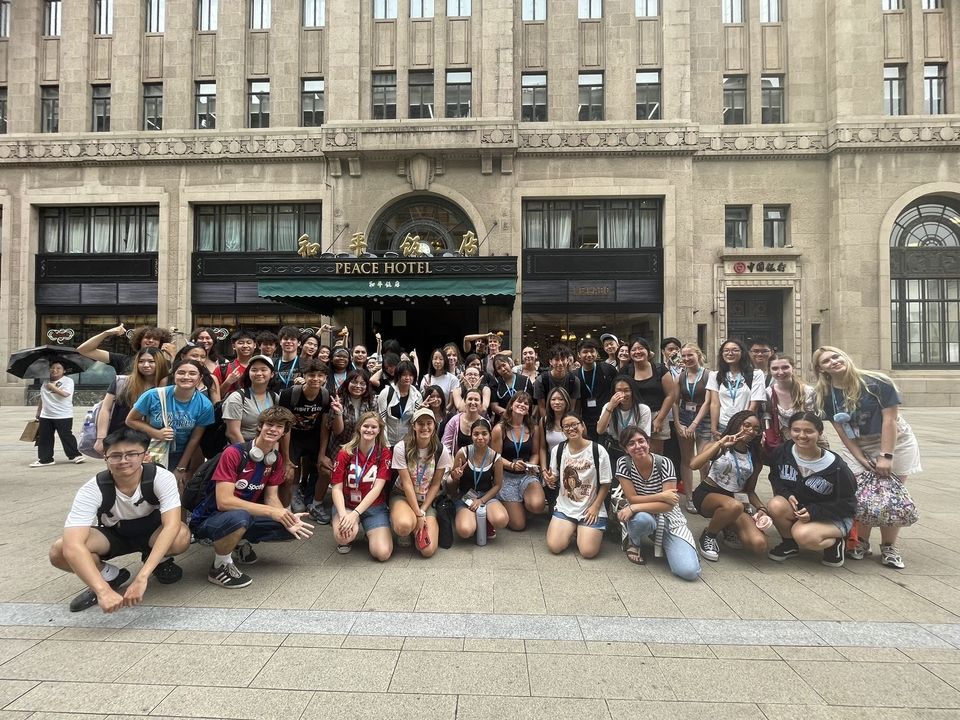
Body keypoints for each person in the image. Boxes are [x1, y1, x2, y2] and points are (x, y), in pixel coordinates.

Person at [49, 428, 190, 613]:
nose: (123, 461)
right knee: (59, 551)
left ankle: (157, 561)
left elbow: (171, 525)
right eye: (115, 455)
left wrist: (142, 577)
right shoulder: (92, 488)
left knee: (180, 534)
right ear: (105, 457)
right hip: (114, 534)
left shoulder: (161, 477)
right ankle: (108, 576)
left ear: (145, 455)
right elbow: (73, 544)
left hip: (153, 532)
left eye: (131, 454)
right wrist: (102, 591)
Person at [813, 345, 922, 569]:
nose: (833, 361)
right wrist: (861, 458)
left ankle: (889, 546)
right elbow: (843, 433)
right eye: (826, 361)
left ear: (844, 356)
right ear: (821, 369)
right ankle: (860, 541)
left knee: (888, 494)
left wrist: (886, 456)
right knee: (859, 493)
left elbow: (889, 421)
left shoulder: (876, 382)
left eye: (836, 356)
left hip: (894, 442)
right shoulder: (826, 395)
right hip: (859, 444)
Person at [190, 407, 313, 588]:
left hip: (243, 514)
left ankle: (239, 542)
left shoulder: (275, 459)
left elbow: (271, 497)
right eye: (269, 424)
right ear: (260, 426)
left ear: (284, 432)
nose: (273, 430)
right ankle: (220, 566)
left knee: (289, 527)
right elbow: (224, 502)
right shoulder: (234, 453)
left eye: (279, 427)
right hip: (209, 518)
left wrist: (286, 515)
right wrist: (272, 512)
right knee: (241, 517)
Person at [767, 412, 857, 567]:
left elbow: (849, 505)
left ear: (819, 433)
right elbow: (775, 478)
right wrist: (786, 494)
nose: (802, 435)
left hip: (833, 516)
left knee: (802, 534)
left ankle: (834, 543)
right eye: (796, 430)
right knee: (776, 505)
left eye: (809, 431)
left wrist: (814, 512)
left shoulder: (837, 467)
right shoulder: (782, 451)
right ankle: (789, 545)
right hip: (803, 510)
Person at [613, 426, 700, 579]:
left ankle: (669, 544)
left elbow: (669, 504)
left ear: (648, 443)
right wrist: (661, 496)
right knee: (642, 519)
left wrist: (634, 507)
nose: (638, 446)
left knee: (689, 571)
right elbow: (631, 498)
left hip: (668, 518)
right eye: (631, 444)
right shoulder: (623, 463)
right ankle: (634, 542)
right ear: (625, 449)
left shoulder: (664, 463)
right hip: (643, 515)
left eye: (641, 441)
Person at [688, 410, 768, 562]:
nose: (751, 431)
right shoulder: (719, 445)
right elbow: (693, 464)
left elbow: (749, 490)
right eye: (747, 425)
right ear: (737, 425)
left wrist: (762, 508)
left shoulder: (755, 456)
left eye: (756, 429)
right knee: (734, 506)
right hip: (707, 495)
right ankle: (708, 536)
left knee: (759, 544)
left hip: (735, 499)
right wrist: (720, 443)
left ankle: (726, 525)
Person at [126, 359, 215, 490]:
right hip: (151, 452)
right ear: (174, 375)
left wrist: (181, 468)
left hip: (181, 454)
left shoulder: (205, 405)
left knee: (176, 493)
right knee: (147, 491)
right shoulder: (153, 395)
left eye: (192, 373)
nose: (186, 377)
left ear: (200, 378)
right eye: (181, 372)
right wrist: (156, 433)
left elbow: (195, 439)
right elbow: (131, 420)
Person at [278, 359, 338, 521]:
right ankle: (288, 506)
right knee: (289, 472)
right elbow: (285, 426)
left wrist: (322, 454)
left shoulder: (326, 395)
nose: (316, 379)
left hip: (314, 436)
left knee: (324, 468)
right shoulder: (289, 394)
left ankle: (316, 504)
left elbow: (325, 426)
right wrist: (286, 457)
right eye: (311, 375)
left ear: (325, 378)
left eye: (320, 375)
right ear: (304, 376)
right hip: (293, 436)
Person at [544, 414, 611, 559]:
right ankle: (574, 528)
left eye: (574, 424)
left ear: (582, 426)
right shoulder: (558, 450)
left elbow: (606, 483)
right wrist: (550, 479)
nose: (571, 428)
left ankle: (582, 530)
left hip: (591, 507)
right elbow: (555, 476)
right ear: (563, 431)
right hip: (565, 506)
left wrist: (596, 506)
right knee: (554, 546)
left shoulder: (598, 450)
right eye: (566, 426)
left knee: (588, 552)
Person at [330, 411, 393, 559]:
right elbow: (336, 488)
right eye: (366, 426)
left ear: (379, 430)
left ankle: (369, 529)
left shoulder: (383, 453)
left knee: (382, 553)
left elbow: (377, 488)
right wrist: (344, 514)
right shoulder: (345, 452)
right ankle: (351, 530)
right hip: (347, 504)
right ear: (359, 427)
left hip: (374, 507)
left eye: (374, 427)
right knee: (343, 536)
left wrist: (356, 514)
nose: (369, 430)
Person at [390, 408, 453, 556]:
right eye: (420, 423)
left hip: (426, 499)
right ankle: (407, 525)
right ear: (414, 426)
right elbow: (406, 483)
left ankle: (417, 526)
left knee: (427, 551)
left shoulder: (441, 450)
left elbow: (436, 484)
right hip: (403, 495)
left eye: (429, 423)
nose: (425, 427)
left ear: (434, 425)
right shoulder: (401, 447)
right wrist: (418, 515)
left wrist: (423, 510)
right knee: (404, 525)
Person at [94, 348, 170, 458]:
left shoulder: (168, 387)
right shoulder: (122, 382)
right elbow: (105, 408)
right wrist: (100, 438)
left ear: (160, 363)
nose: (146, 365)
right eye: (141, 361)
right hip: (120, 438)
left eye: (151, 361)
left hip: (153, 441)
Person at [492, 392, 546, 531]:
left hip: (526, 475)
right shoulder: (500, 429)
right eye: (519, 402)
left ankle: (523, 503)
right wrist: (511, 465)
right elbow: (495, 456)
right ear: (511, 405)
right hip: (506, 476)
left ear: (528, 409)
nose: (522, 405)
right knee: (518, 525)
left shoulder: (533, 428)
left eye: (526, 403)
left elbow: (535, 453)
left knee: (537, 505)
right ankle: (507, 502)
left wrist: (530, 466)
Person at [449, 418, 510, 541]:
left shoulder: (496, 458)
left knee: (501, 520)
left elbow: (498, 485)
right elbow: (453, 479)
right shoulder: (463, 453)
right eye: (476, 434)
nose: (480, 437)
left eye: (484, 434)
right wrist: (455, 475)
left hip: (486, 496)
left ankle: (485, 519)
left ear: (490, 435)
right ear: (471, 436)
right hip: (466, 496)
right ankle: (476, 519)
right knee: (465, 531)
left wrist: (481, 501)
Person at [623, 336, 678, 454]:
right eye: (633, 349)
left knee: (655, 455)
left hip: (657, 415)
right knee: (636, 452)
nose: (637, 352)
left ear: (647, 351)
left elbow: (670, 395)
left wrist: (659, 419)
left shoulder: (660, 369)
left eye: (641, 348)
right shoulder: (626, 371)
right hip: (635, 415)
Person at [674, 343, 712, 512]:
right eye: (684, 356)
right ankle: (689, 497)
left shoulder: (708, 375)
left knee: (703, 460)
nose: (687, 359)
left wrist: (694, 423)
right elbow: (674, 402)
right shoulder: (680, 376)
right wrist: (677, 423)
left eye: (690, 355)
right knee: (687, 459)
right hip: (684, 418)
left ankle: (705, 496)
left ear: (698, 355)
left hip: (704, 419)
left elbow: (709, 402)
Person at [707, 339, 765, 438]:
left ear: (742, 353)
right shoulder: (715, 375)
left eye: (735, 350)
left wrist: (744, 425)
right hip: (723, 426)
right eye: (726, 350)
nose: (730, 353)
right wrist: (713, 428)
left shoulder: (756, 374)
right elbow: (715, 404)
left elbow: (754, 404)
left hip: (745, 427)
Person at [32, 361, 84, 467]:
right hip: (46, 414)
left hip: (63, 414)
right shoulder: (45, 381)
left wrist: (52, 387)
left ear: (64, 371)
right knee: (44, 437)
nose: (54, 370)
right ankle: (45, 459)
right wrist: (38, 412)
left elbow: (65, 394)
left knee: (66, 435)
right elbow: (42, 398)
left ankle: (75, 455)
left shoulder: (68, 381)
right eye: (52, 368)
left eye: (58, 368)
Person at [221, 356, 279, 444]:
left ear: (272, 374)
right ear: (248, 373)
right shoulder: (237, 398)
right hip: (241, 448)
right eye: (254, 370)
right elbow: (232, 433)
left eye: (263, 370)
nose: (259, 373)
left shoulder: (274, 397)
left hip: (266, 447)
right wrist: (247, 454)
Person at [597, 375, 652, 464]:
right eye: (618, 391)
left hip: (634, 447)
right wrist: (611, 407)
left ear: (632, 391)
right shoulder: (608, 406)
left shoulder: (643, 409)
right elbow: (600, 430)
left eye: (626, 390)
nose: (622, 394)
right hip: (613, 448)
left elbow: (644, 435)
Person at [77, 324, 174, 374]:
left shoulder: (168, 364)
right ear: (140, 341)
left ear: (161, 343)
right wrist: (106, 333)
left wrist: (173, 355)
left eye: (156, 339)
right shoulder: (123, 360)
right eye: (147, 338)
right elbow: (84, 350)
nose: (151, 341)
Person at [537, 386, 574, 508]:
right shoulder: (544, 421)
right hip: (552, 466)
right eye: (553, 399)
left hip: (571, 466)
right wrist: (544, 470)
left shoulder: (574, 420)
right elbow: (542, 447)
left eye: (561, 399)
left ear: (566, 401)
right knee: (554, 507)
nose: (557, 402)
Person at [766, 354, 816, 443]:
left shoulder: (807, 391)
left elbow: (815, 419)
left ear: (793, 368)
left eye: (785, 367)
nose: (780, 372)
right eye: (775, 368)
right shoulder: (768, 393)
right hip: (781, 441)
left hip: (807, 439)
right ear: (769, 371)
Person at [576, 338, 618, 440]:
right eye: (585, 352)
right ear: (579, 354)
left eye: (592, 351)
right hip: (586, 420)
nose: (589, 355)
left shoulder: (608, 369)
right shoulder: (575, 375)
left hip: (607, 418)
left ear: (597, 353)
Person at [378, 360, 423, 445]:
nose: (408, 378)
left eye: (410, 375)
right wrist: (385, 445)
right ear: (398, 376)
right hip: (388, 441)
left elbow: (414, 421)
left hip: (407, 443)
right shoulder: (386, 393)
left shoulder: (417, 396)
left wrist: (420, 410)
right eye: (404, 375)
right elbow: (382, 421)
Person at [533, 344, 581, 417]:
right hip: (547, 418)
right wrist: (547, 425)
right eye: (556, 359)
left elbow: (572, 407)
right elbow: (542, 408)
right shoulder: (541, 380)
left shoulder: (574, 380)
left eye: (563, 359)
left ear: (567, 360)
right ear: (550, 362)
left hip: (567, 420)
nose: (560, 363)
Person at [442, 387, 486, 458]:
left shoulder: (485, 423)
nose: (473, 402)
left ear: (481, 403)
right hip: (455, 464)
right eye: (470, 399)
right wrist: (450, 465)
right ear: (465, 402)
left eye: (476, 400)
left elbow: (487, 449)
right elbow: (446, 446)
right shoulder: (454, 421)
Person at [489, 354, 535, 418]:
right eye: (499, 368)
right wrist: (511, 415)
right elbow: (494, 406)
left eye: (504, 365)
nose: (503, 369)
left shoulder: (525, 380)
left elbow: (531, 403)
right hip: (502, 420)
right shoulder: (495, 382)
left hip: (523, 419)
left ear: (510, 363)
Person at [215, 329, 257, 394]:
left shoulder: (261, 368)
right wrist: (228, 382)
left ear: (254, 345)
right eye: (241, 343)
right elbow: (215, 396)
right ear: (234, 346)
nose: (245, 346)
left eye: (249, 343)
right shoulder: (222, 369)